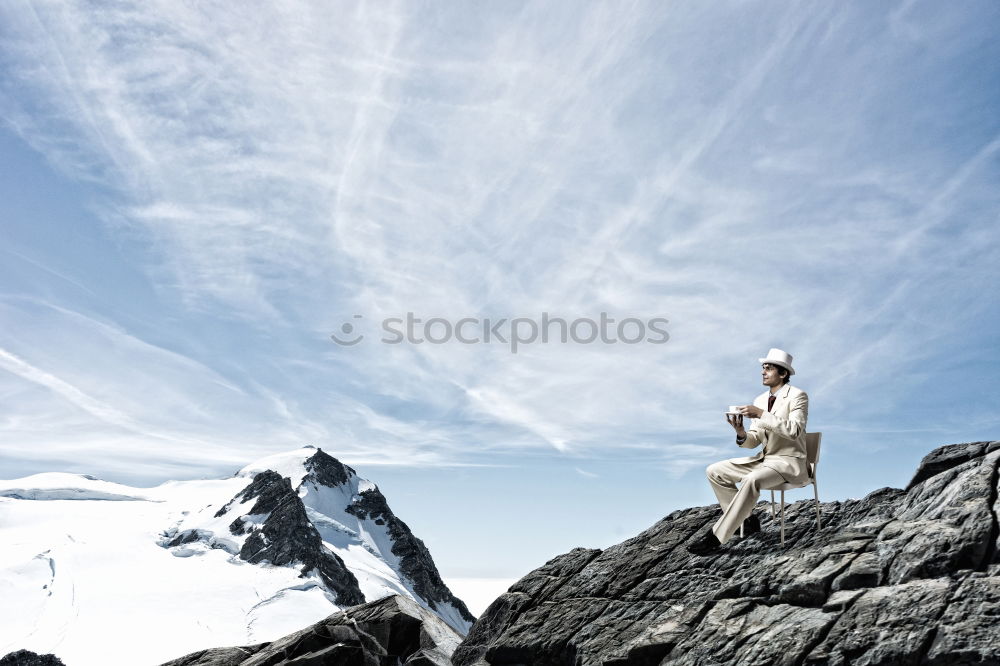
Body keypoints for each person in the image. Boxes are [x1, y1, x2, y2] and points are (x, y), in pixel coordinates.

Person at [687, 348, 809, 555]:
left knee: (751, 479)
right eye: (763, 368)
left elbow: (794, 430)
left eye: (769, 368)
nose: (763, 372)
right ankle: (747, 521)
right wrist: (741, 432)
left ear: (783, 373)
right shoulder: (760, 400)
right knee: (715, 470)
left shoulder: (797, 396)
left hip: (789, 463)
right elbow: (754, 441)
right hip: (765, 460)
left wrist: (761, 414)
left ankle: (717, 536)